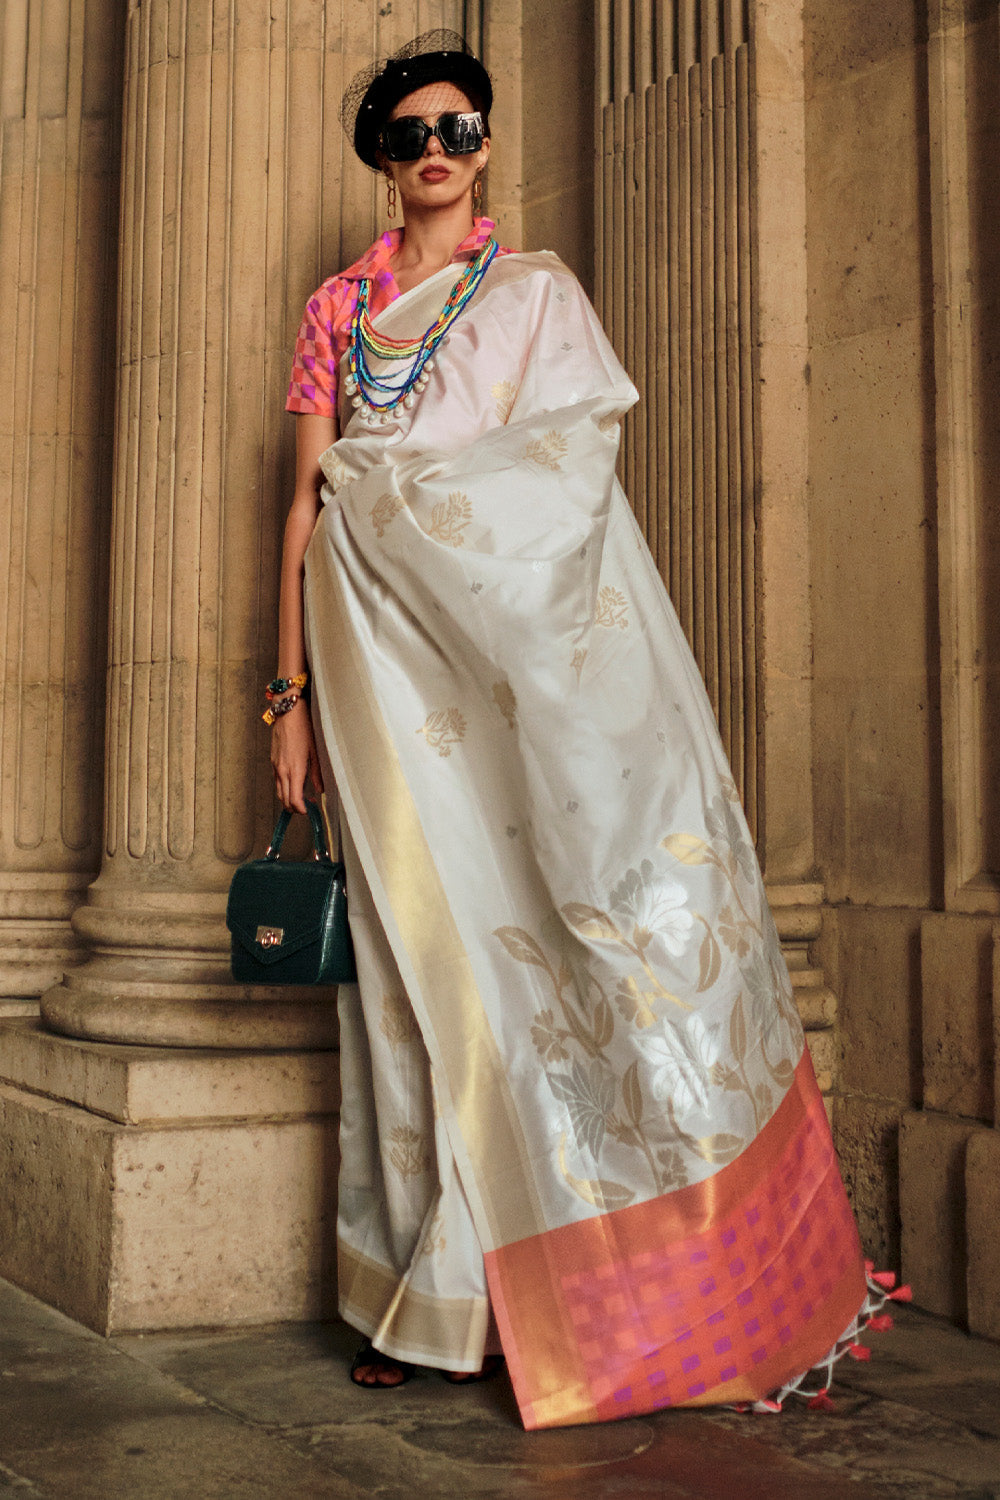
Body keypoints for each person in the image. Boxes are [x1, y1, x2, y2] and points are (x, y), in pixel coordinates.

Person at [269, 30, 906, 1431]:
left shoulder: (538, 297)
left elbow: (564, 485)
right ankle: (432, 1298)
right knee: (416, 976)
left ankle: (613, 1293)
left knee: (557, 950)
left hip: (517, 675)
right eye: (410, 133)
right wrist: (289, 696)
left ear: (486, 145)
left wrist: (411, 508)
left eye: (457, 127)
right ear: (383, 159)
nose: (435, 150)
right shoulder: (336, 311)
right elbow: (311, 507)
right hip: (378, 680)